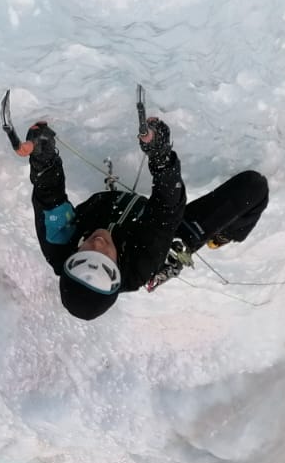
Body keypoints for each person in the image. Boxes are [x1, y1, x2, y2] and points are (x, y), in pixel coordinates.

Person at [19, 116, 269, 320]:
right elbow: (167, 207)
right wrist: (162, 159)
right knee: (253, 188)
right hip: (162, 233)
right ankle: (226, 235)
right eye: (103, 256)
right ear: (117, 268)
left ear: (72, 258)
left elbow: (49, 197)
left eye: (85, 252)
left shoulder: (59, 244)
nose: (97, 243)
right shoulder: (141, 263)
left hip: (121, 215)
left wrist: (43, 157)